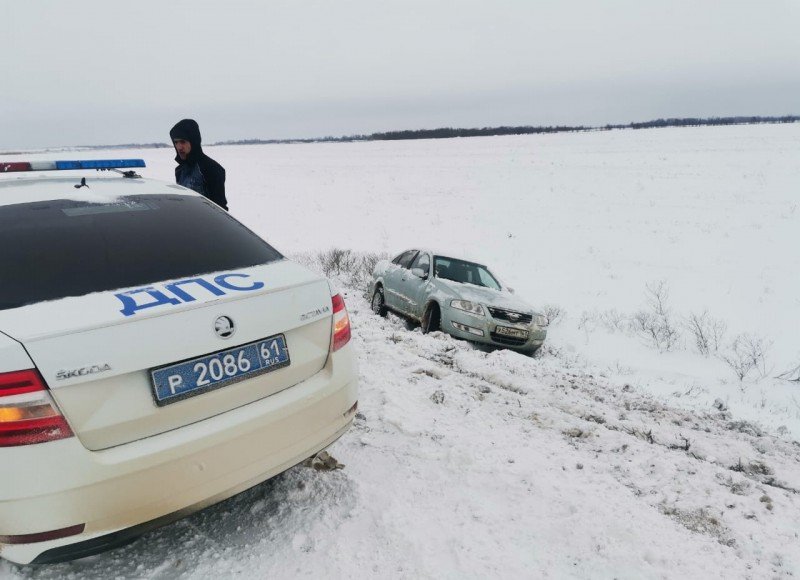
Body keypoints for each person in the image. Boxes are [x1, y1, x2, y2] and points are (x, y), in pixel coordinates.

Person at [169, 119, 228, 210]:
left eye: (183, 142)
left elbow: (221, 210)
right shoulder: (180, 170)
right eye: (176, 142)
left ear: (193, 141)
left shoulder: (212, 168)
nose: (179, 147)